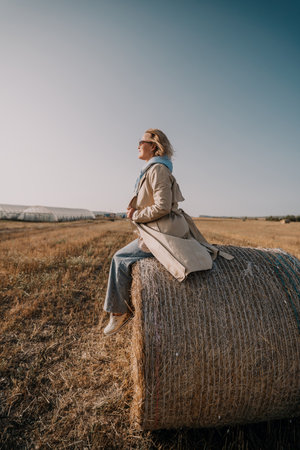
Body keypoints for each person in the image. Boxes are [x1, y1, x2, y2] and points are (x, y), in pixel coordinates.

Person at [103, 128, 233, 336]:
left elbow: (162, 206)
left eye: (141, 141)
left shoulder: (158, 170)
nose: (137, 145)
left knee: (120, 258)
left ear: (153, 146)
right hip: (158, 228)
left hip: (163, 232)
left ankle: (119, 312)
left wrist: (136, 214)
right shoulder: (153, 169)